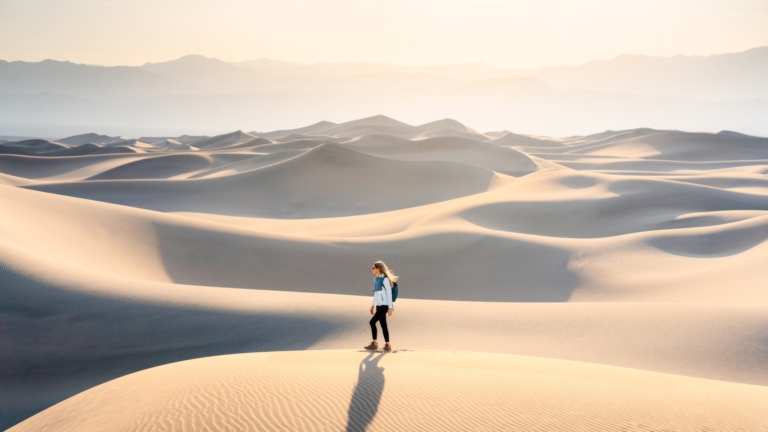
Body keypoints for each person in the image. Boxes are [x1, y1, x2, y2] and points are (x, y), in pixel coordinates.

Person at [364, 261, 397, 352]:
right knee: (383, 325)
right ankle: (387, 345)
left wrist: (390, 308)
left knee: (372, 322)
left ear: (379, 268)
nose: (372, 269)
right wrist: (372, 306)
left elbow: (389, 294)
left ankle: (374, 343)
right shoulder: (376, 279)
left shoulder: (385, 279)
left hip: (385, 305)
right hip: (378, 305)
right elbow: (375, 294)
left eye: (374, 267)